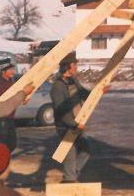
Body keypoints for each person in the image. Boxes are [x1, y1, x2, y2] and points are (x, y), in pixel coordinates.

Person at [51, 52, 91, 183]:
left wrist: (100, 91)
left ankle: (72, 174)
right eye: (74, 65)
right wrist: (73, 124)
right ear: (67, 66)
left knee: (86, 151)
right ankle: (69, 180)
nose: (76, 67)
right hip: (66, 126)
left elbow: (85, 94)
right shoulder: (58, 86)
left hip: (77, 122)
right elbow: (61, 110)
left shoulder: (74, 81)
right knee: (70, 155)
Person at [0, 59, 19, 152]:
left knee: (12, 144)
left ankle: (5, 162)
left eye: (13, 69)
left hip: (10, 118)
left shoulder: (10, 81)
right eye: (11, 70)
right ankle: (1, 164)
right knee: (2, 144)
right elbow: (5, 101)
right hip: (1, 119)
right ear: (4, 71)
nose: (13, 72)